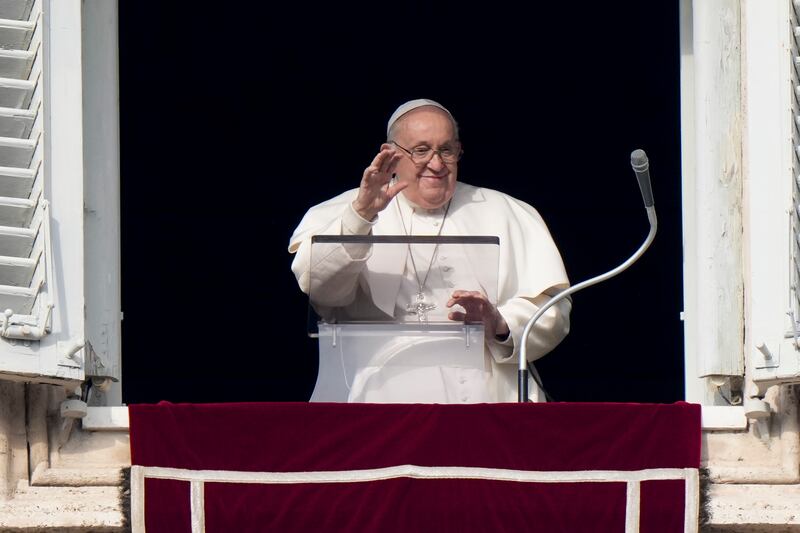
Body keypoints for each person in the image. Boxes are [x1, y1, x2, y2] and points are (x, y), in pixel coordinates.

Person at [288, 98, 571, 403]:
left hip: (488, 397)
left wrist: (499, 323)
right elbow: (321, 289)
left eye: (446, 150)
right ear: (391, 155)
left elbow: (552, 309)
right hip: (377, 396)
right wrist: (360, 217)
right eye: (421, 150)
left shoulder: (508, 212)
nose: (436, 164)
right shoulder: (347, 210)